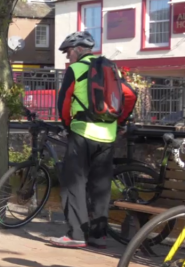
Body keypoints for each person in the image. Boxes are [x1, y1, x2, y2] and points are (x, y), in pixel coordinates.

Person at [48, 30, 134, 249]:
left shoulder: (75, 69)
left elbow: (65, 103)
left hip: (83, 132)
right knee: (100, 186)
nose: (68, 57)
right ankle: (98, 236)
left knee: (73, 184)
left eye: (68, 52)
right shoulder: (111, 69)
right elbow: (130, 95)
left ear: (77, 50)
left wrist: (67, 125)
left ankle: (76, 234)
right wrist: (120, 122)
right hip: (107, 135)